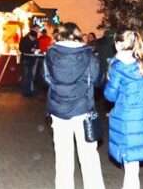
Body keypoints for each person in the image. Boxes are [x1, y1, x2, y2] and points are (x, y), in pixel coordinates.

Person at [43, 22, 105, 189]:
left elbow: (46, 78)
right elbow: (98, 80)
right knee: (89, 156)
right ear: (78, 34)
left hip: (58, 110)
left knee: (63, 157)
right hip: (83, 109)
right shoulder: (89, 55)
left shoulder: (50, 54)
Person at [104, 29, 143, 189]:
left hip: (127, 119)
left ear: (118, 45)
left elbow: (110, 96)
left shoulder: (118, 67)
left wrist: (109, 75)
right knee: (133, 163)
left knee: (130, 164)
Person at [19, 28, 39, 97]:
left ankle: (29, 90)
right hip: (26, 59)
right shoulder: (24, 40)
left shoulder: (35, 40)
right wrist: (30, 50)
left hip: (32, 59)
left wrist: (36, 50)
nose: (34, 39)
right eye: (33, 38)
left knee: (30, 76)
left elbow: (37, 46)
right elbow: (21, 49)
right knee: (26, 75)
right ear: (30, 36)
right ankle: (25, 91)